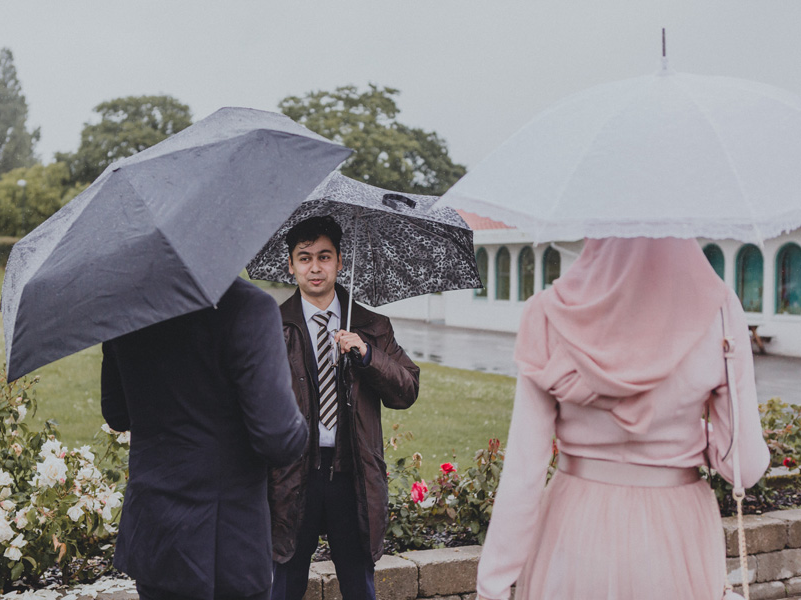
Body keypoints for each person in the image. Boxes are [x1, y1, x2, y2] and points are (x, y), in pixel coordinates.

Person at [476, 237, 771, 600]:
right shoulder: (721, 310)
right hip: (676, 529)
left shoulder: (547, 313)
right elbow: (746, 465)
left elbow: (524, 471)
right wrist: (690, 433)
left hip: (575, 524)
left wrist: (493, 587)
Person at [101, 277, 308, 600]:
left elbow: (117, 413)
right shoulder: (249, 306)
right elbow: (278, 439)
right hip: (228, 544)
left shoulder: (128, 306)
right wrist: (300, 418)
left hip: (155, 533)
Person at [269, 215, 420, 600]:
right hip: (292, 475)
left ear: (339, 261)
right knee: (283, 585)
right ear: (291, 265)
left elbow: (406, 390)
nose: (315, 268)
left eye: (324, 256)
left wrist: (367, 355)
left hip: (351, 475)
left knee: (359, 586)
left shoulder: (371, 324)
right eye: (304, 258)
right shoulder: (272, 326)